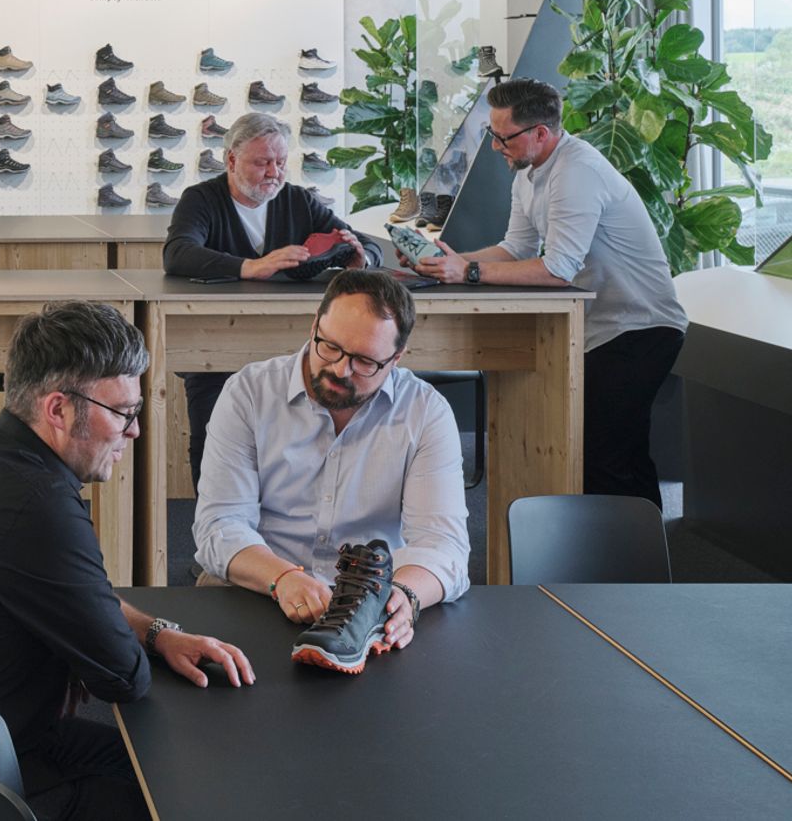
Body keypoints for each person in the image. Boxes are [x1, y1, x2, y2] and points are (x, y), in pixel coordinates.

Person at [0, 301, 254, 821]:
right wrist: (94, 647)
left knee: (167, 768)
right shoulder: (35, 508)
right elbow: (124, 678)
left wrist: (153, 632)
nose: (134, 431)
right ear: (58, 409)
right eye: (123, 412)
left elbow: (88, 606)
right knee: (187, 795)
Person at [403, 77, 688, 505]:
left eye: (504, 137)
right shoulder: (530, 171)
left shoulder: (577, 172)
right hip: (597, 328)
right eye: (491, 135)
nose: (496, 146)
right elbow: (514, 248)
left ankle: (637, 563)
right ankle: (606, 556)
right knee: (599, 451)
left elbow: (556, 270)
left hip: (640, 328)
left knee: (611, 455)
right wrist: (450, 261)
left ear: (540, 133)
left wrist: (470, 273)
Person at [194, 270, 469, 644]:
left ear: (397, 357)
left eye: (365, 362)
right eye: (330, 347)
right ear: (314, 327)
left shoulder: (425, 412)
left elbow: (443, 543)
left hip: (370, 607)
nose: (341, 370)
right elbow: (220, 525)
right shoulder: (249, 393)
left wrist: (404, 596)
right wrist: (284, 577)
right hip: (258, 586)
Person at [163, 111, 379, 489]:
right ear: (231, 160)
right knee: (215, 449)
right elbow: (178, 253)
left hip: (287, 349)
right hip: (215, 350)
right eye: (262, 163)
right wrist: (251, 266)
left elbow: (361, 241)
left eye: (280, 162)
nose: (274, 172)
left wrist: (362, 259)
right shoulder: (200, 199)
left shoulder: (296, 200)